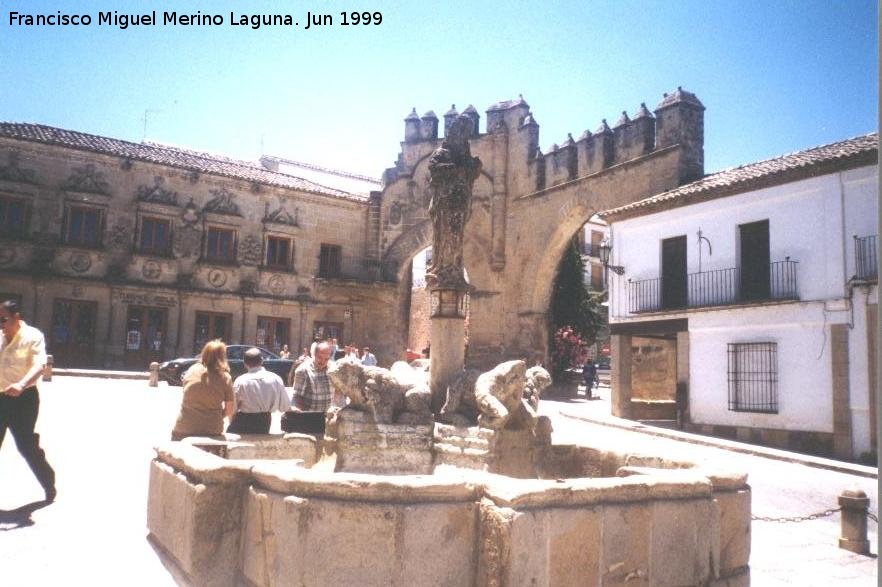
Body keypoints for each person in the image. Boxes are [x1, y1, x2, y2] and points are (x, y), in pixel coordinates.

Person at [0, 300, 56, 502]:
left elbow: (40, 364)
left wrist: (21, 384)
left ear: (17, 317)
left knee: (26, 446)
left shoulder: (33, 336)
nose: (1, 324)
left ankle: (49, 483)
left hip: (24, 400)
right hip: (0, 398)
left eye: (4, 319)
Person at [171, 340, 235, 440]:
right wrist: (214, 416)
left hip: (184, 427)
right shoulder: (225, 377)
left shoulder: (192, 370)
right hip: (212, 429)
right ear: (223, 357)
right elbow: (230, 409)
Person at [227, 348, 289, 434]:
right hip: (264, 423)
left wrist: (231, 423)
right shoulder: (276, 379)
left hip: (242, 423)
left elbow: (232, 410)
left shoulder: (240, 381)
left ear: (245, 364)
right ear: (262, 361)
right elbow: (285, 406)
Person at [290, 342, 342, 411]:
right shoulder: (303, 370)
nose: (322, 361)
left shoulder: (333, 369)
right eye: (320, 357)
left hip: (327, 416)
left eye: (326, 359)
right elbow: (297, 396)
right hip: (310, 416)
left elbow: (338, 390)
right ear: (314, 354)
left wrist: (335, 405)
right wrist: (296, 411)